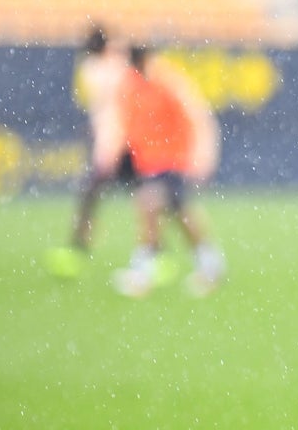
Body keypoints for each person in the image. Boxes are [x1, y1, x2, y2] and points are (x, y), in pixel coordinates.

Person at [93, 43, 226, 298]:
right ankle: (209, 263)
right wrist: (112, 152)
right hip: (149, 161)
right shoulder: (129, 88)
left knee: (149, 204)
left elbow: (196, 117)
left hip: (173, 158)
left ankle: (143, 271)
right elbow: (123, 123)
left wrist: (202, 154)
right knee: (180, 212)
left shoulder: (167, 83)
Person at [44, 24, 136, 279]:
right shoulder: (103, 68)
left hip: (121, 142)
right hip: (119, 141)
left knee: (95, 194)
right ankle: (81, 243)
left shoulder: (93, 67)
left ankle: (80, 243)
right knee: (144, 195)